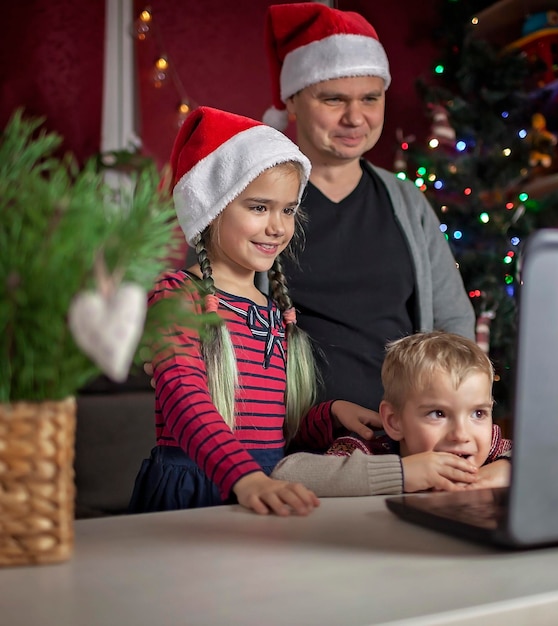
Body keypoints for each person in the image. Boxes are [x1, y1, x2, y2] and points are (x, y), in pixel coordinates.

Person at [129, 106, 380, 517]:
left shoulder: (275, 311)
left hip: (266, 488)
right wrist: (244, 477)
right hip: (194, 493)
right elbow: (183, 398)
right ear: (212, 208)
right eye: (259, 207)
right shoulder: (177, 296)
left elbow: (275, 431)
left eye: (288, 210)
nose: (278, 227)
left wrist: (330, 415)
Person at [259, 3, 477, 412]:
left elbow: (452, 323)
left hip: (407, 437)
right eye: (334, 99)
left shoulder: (407, 202)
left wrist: (447, 414)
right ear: (292, 101)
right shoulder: (252, 200)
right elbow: (205, 314)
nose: (355, 117)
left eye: (370, 98)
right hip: (293, 446)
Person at [271, 331, 512, 496]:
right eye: (438, 414)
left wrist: (506, 468)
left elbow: (545, 457)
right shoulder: (370, 450)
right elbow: (286, 474)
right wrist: (402, 473)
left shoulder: (492, 451)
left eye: (478, 414)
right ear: (394, 422)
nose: (461, 435)